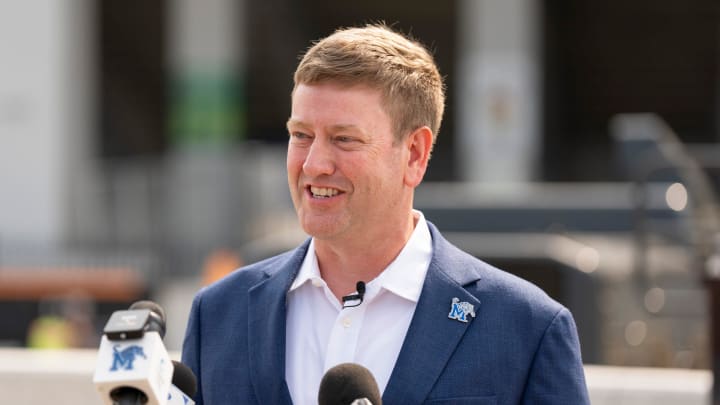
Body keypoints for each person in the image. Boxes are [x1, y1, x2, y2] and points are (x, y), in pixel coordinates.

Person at [182, 24, 590, 404]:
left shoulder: (527, 328)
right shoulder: (218, 314)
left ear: (414, 153)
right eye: (301, 136)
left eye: (344, 139)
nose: (314, 164)